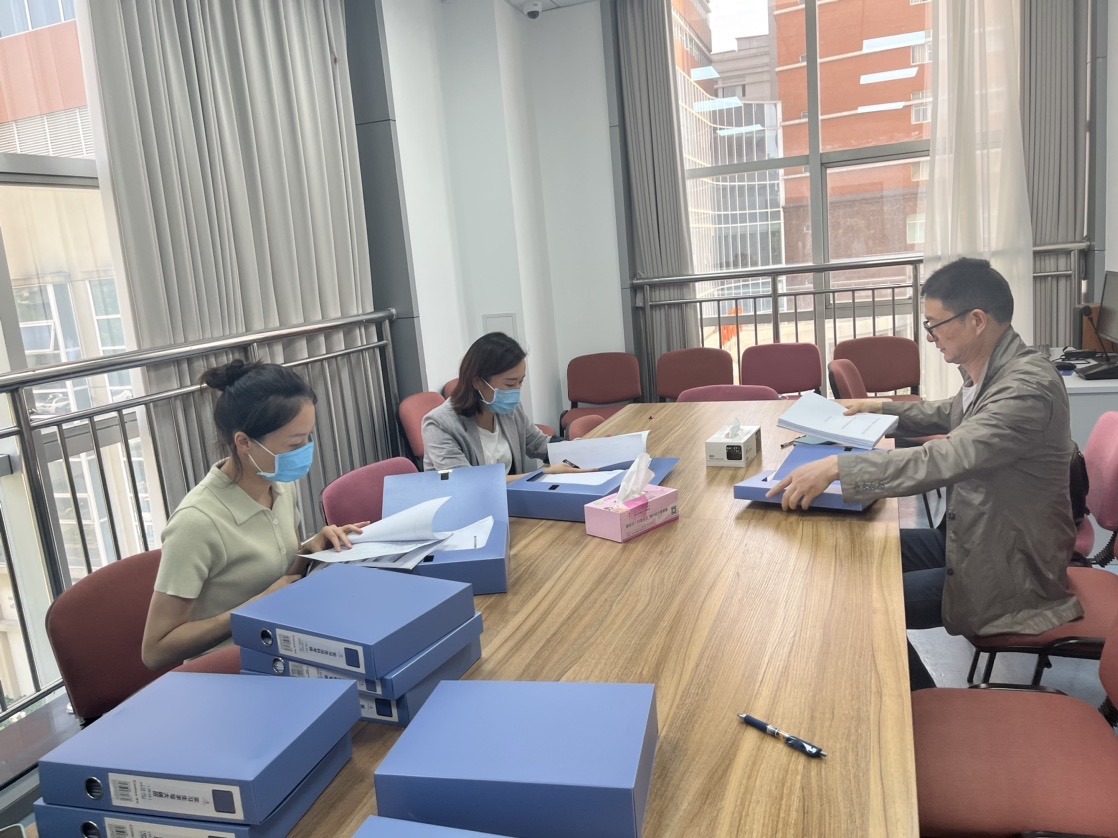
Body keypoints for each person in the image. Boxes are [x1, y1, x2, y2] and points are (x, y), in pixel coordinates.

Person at [769, 257, 1082, 689]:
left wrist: (839, 468)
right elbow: (950, 412)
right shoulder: (998, 369)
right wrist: (879, 409)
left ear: (976, 320)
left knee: (860, 608)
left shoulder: (1026, 388)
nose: (930, 336)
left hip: (1009, 573)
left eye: (935, 325)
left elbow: (946, 458)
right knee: (850, 553)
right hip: (972, 538)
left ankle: (924, 708)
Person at [141, 360, 368, 670]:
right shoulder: (197, 522)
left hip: (285, 643)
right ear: (244, 442)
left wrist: (311, 549)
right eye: (295, 443)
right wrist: (254, 607)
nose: (306, 449)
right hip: (230, 667)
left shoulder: (279, 484)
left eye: (309, 437)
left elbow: (280, 577)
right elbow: (156, 651)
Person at [422, 332, 582, 481]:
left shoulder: (508, 408)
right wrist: (542, 473)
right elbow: (468, 482)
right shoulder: (439, 424)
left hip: (510, 495)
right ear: (477, 381)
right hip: (469, 500)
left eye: (521, 381)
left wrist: (577, 448)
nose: (517, 390)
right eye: (510, 384)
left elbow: (536, 443)